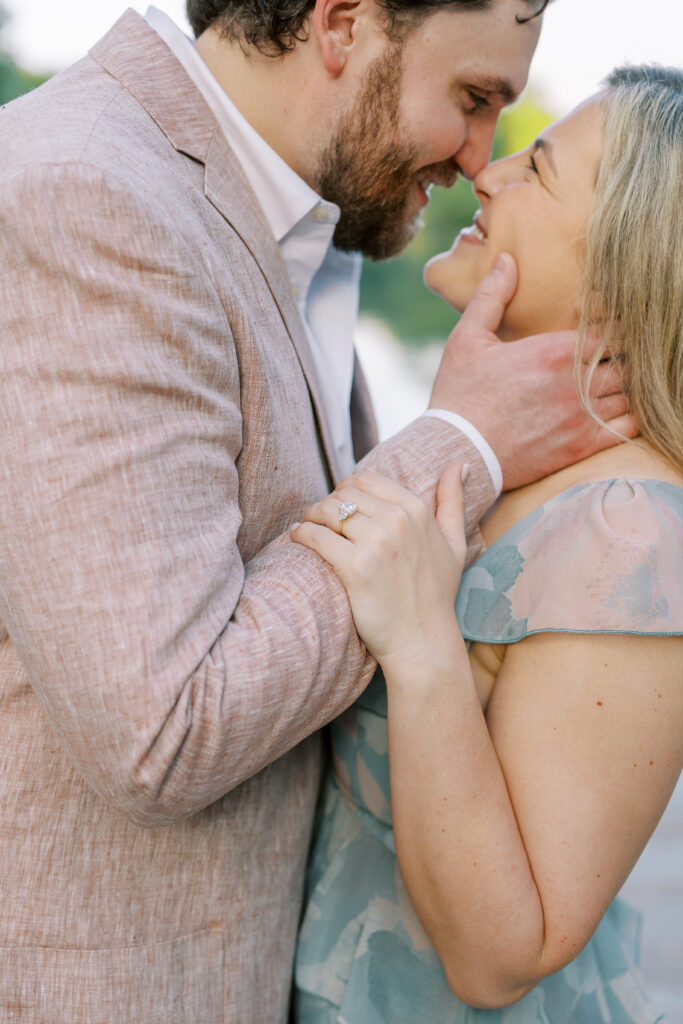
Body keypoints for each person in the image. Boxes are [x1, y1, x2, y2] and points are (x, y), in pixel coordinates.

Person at [0, 0, 635, 1020]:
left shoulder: (298, 225)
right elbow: (161, 728)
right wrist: (463, 442)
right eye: (472, 97)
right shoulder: (88, 193)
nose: (480, 159)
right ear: (341, 25)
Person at [293, 64, 683, 1023]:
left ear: (628, 263)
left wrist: (423, 649)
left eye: (535, 170)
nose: (488, 172)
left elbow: (503, 958)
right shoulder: (516, 464)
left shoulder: (627, 534)